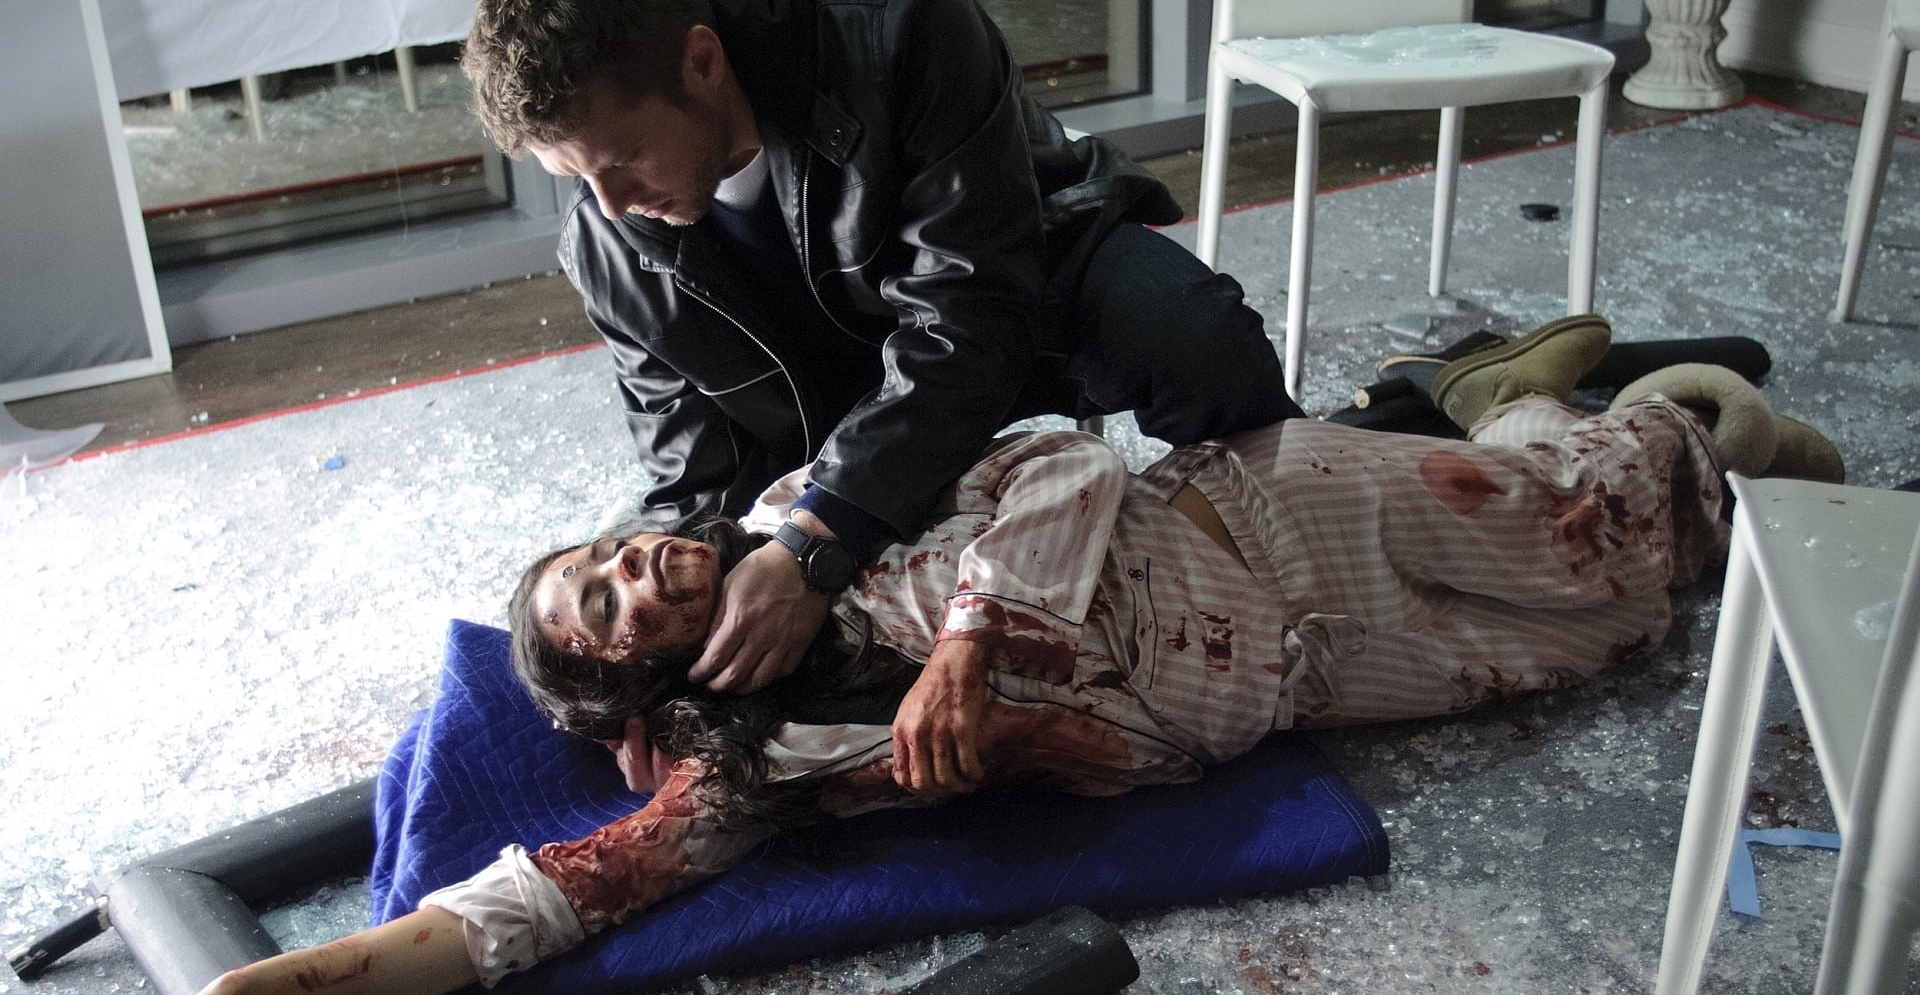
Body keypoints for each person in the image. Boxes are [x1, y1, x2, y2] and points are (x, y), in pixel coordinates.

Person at [199, 317, 1846, 995]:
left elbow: (1060, 458)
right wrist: (266, 989)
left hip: (1253, 519)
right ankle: (1497, 396)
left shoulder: (807, 510)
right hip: (1283, 679)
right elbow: (550, 899)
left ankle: (1654, 416)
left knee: (1599, 527)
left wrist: (970, 646)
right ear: (645, 683)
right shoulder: (748, 768)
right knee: (1616, 630)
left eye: (608, 555)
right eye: (608, 612)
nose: (633, 573)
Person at [459, 0, 1302, 695]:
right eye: (577, 179)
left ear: (702, 62)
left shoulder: (901, 22)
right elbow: (696, 475)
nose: (609, 207)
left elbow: (969, 317)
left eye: (624, 160)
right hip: (831, 400)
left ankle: (1309, 549)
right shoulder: (605, 241)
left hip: (1020, 286)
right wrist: (643, 688)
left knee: (1199, 338)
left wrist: (817, 541)